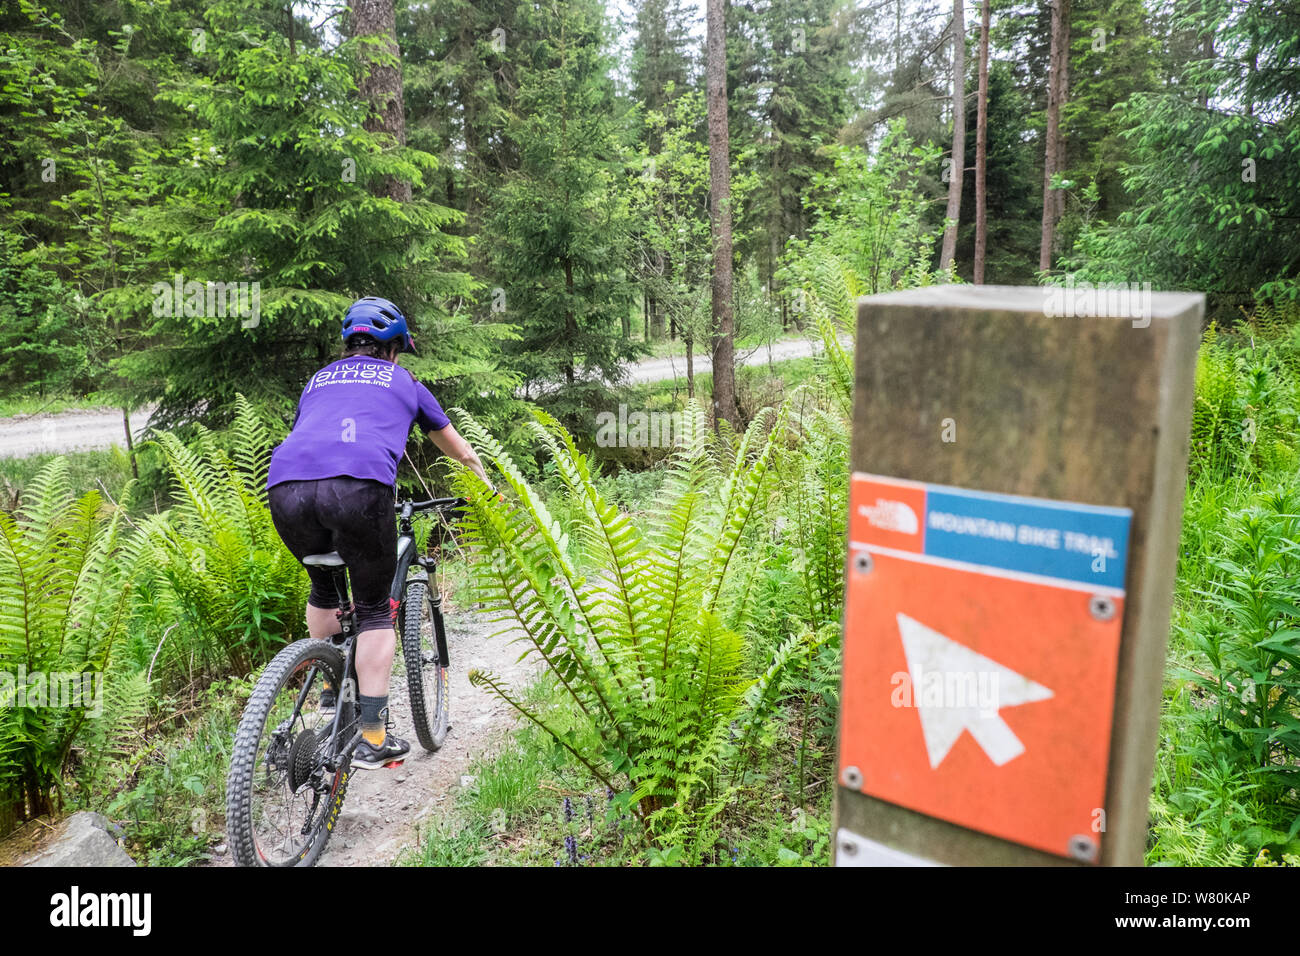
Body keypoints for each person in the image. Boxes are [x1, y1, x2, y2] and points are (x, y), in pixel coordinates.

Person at [265, 296, 490, 769]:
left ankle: (332, 690)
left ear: (350, 344)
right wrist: (489, 491)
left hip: (285, 490)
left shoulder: (318, 379)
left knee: (324, 587)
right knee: (371, 611)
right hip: (358, 489)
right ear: (393, 349)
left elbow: (310, 436)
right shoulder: (404, 380)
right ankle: (372, 736)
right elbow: (460, 451)